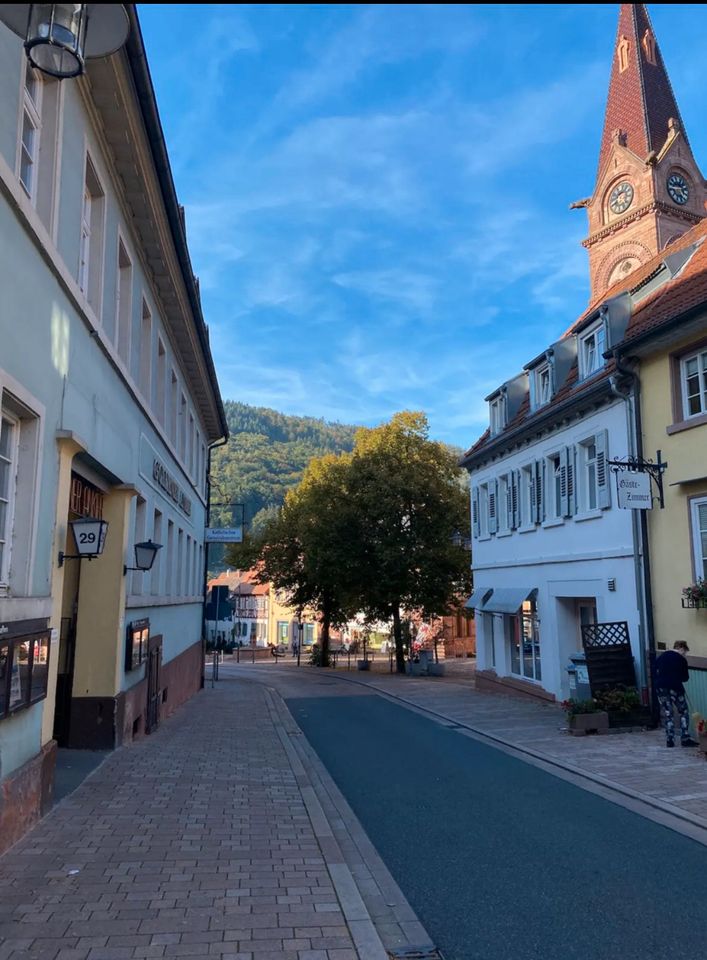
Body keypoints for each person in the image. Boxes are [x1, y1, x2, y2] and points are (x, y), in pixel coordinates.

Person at [654, 641, 698, 748]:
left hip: (660, 687)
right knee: (684, 711)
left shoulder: (661, 657)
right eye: (685, 652)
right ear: (681, 648)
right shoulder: (681, 659)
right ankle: (685, 738)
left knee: (668, 714)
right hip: (675, 688)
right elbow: (685, 678)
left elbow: (655, 670)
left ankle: (670, 740)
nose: (685, 654)